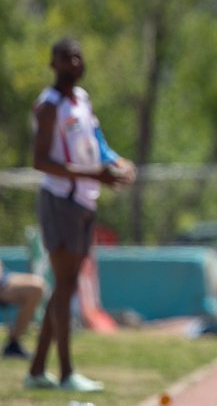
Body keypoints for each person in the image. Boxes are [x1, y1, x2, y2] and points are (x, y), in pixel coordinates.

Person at [27, 37, 136, 392]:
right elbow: (40, 161)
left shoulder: (82, 100)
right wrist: (94, 176)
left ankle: (37, 370)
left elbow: (96, 143)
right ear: (52, 64)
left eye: (77, 57)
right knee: (65, 284)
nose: (73, 63)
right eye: (65, 58)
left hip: (86, 201)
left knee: (67, 284)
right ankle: (65, 372)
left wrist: (116, 163)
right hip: (62, 202)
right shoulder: (50, 105)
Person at [0, 260, 46, 360]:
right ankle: (13, 343)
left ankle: (13, 343)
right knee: (35, 289)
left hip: (3, 278)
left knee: (37, 285)